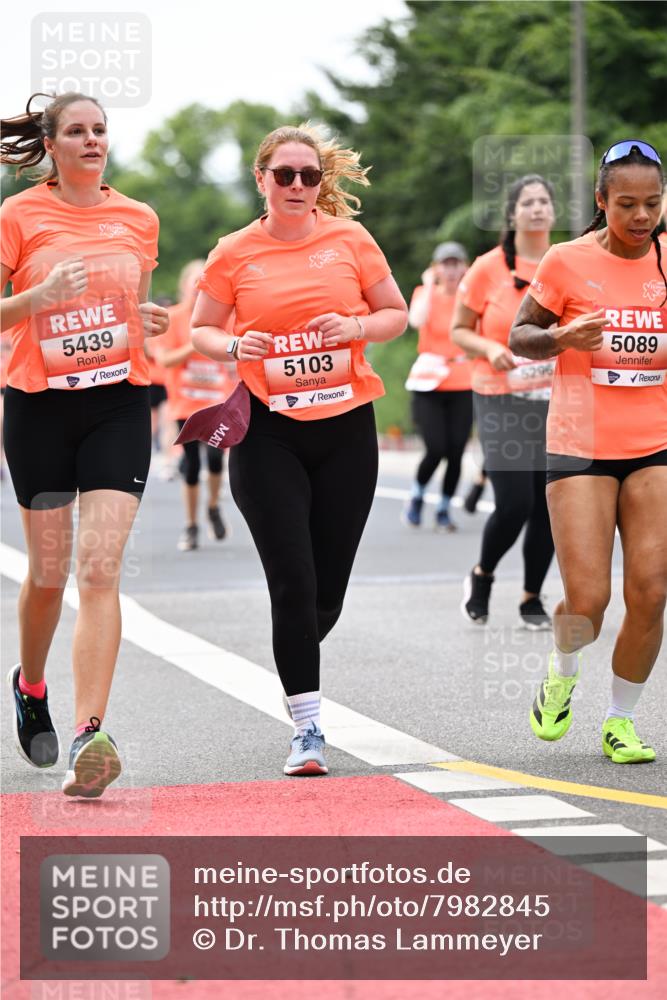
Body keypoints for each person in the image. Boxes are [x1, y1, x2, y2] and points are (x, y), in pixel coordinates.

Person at [191, 123, 408, 776]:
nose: (296, 185)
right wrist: (235, 345)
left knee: (325, 595)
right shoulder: (234, 252)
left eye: (308, 176)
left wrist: (355, 326)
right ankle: (307, 729)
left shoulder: (350, 240)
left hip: (346, 431)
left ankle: (295, 652)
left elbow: (395, 314)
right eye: (283, 174)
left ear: (320, 183)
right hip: (268, 433)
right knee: (293, 581)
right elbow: (201, 328)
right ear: (261, 179)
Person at [1, 92, 168, 796]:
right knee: (48, 574)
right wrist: (35, 300)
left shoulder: (138, 218)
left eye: (100, 129)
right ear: (51, 144)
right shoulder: (18, 216)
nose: (92, 140)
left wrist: (147, 319)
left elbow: (133, 304)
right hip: (38, 407)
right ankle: (30, 685)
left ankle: (88, 736)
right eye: (77, 131)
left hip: (118, 405)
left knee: (98, 572)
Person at [510, 140, 666, 763]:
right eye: (626, 203)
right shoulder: (566, 261)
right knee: (588, 601)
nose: (641, 216)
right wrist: (562, 336)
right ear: (602, 201)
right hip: (580, 446)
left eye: (652, 202)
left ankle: (620, 721)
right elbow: (520, 335)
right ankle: (563, 668)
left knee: (652, 590)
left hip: (655, 444)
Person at [452, 174, 557, 629]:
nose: (536, 208)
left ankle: (532, 596)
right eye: (527, 202)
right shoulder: (487, 268)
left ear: (554, 211)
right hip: (499, 397)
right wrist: (490, 348)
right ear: (512, 214)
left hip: (553, 400)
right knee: (515, 502)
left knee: (550, 505)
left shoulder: (565, 263)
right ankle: (483, 575)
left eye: (543, 201)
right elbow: (459, 330)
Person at [156, 259, 236, 550]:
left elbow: (234, 354)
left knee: (215, 458)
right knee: (190, 465)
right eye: (195, 284)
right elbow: (164, 360)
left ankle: (213, 506)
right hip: (186, 403)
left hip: (217, 402)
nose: (199, 289)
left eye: (205, 284)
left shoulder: (224, 318)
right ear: (183, 287)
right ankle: (191, 526)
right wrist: (199, 342)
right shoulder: (173, 318)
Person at [403, 241, 472, 532]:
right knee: (436, 448)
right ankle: (417, 495)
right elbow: (415, 320)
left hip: (463, 381)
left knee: (456, 451)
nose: (451, 270)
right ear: (436, 268)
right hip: (429, 383)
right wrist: (430, 286)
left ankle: (444, 507)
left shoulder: (471, 297)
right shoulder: (425, 293)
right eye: (446, 264)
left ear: (465, 267)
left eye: (456, 264)